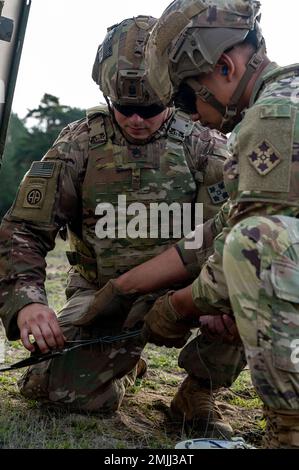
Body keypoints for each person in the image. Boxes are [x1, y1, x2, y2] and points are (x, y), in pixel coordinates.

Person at [0, 16, 229, 417]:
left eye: (150, 108)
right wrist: (28, 304)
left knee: (255, 295)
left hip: (187, 296)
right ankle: (123, 362)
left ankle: (198, 390)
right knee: (50, 390)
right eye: (125, 108)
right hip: (104, 296)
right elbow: (23, 229)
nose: (136, 120)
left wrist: (217, 299)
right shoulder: (80, 144)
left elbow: (234, 236)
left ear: (171, 95)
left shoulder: (205, 146)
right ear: (107, 96)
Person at [134, 0, 299, 449]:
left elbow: (254, 245)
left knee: (259, 243)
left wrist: (180, 307)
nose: (187, 113)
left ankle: (291, 430)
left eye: (188, 95)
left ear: (225, 66)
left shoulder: (272, 117)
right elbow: (226, 226)